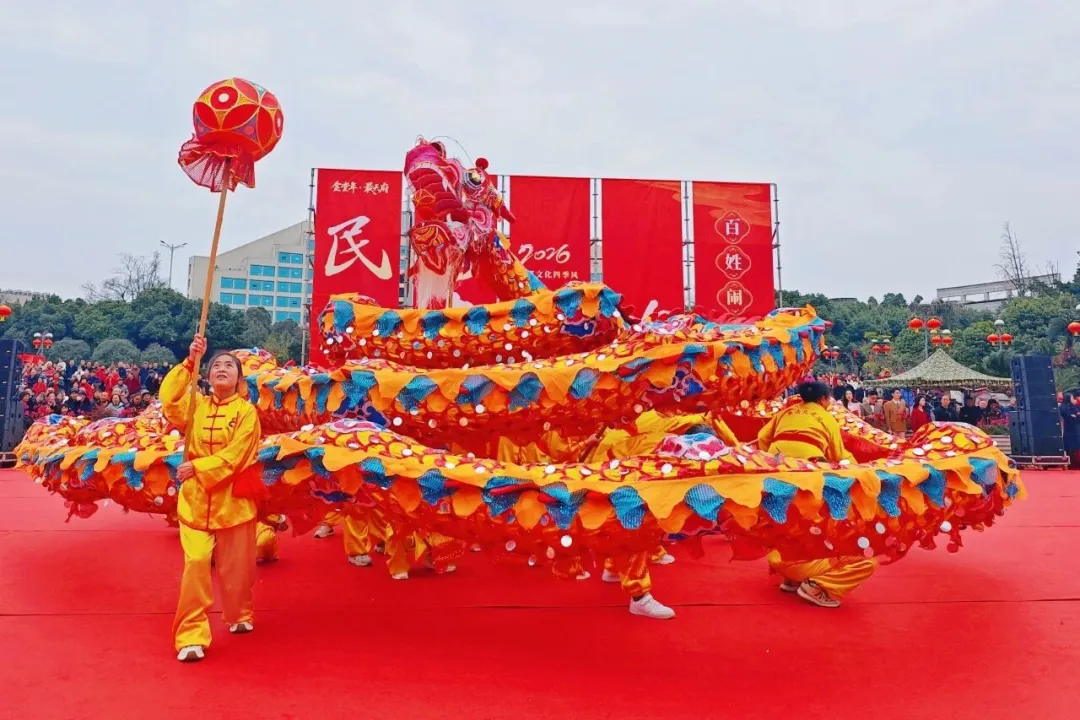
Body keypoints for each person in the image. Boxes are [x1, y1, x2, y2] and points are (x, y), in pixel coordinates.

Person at [159, 334, 263, 663]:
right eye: (216, 365)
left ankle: (239, 612)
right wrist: (190, 361)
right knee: (196, 562)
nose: (221, 369)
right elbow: (168, 400)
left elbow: (238, 454)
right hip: (195, 499)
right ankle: (191, 634)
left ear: (239, 378)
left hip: (234, 499)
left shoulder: (247, 412)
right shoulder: (196, 406)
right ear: (207, 375)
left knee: (237, 567)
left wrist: (198, 467)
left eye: (229, 365)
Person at [757, 382, 876, 608]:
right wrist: (860, 470)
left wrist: (769, 461)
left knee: (785, 518)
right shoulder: (826, 417)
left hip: (777, 472)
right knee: (859, 555)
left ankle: (791, 578)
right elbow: (839, 454)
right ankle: (814, 586)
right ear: (823, 399)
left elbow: (763, 436)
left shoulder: (786, 412)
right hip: (807, 474)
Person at [1060, 393, 1080, 469]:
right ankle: (1069, 463)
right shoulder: (1062, 406)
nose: (1073, 399)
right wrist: (1071, 415)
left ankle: (1075, 463)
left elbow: (1076, 412)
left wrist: (1076, 414)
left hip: (1074, 429)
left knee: (1075, 446)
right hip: (1067, 429)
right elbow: (1065, 415)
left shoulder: (1072, 406)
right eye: (1071, 398)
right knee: (1068, 446)